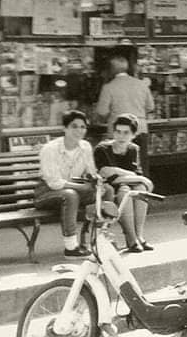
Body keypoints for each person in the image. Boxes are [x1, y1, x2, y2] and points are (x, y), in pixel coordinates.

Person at [36, 110, 113, 258]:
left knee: (107, 190)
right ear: (65, 128)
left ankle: (98, 238)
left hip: (75, 190)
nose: (79, 130)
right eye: (74, 126)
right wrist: (82, 187)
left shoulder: (85, 147)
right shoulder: (50, 149)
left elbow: (91, 171)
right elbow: (54, 183)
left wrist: (95, 179)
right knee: (70, 195)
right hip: (46, 193)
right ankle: (71, 248)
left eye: (83, 127)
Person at [94, 113, 154, 253]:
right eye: (118, 132)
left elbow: (136, 175)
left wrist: (135, 178)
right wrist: (135, 177)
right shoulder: (102, 149)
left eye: (126, 133)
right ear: (113, 132)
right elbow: (106, 175)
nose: (121, 136)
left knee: (139, 188)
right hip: (107, 190)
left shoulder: (133, 149)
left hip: (127, 185)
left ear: (133, 134)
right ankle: (131, 239)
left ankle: (139, 235)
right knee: (125, 190)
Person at [96, 53, 155, 176]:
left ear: (111, 70)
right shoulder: (141, 85)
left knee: (120, 167)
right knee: (141, 165)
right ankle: (144, 191)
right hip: (140, 129)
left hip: (119, 132)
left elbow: (102, 111)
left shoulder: (108, 87)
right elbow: (151, 107)